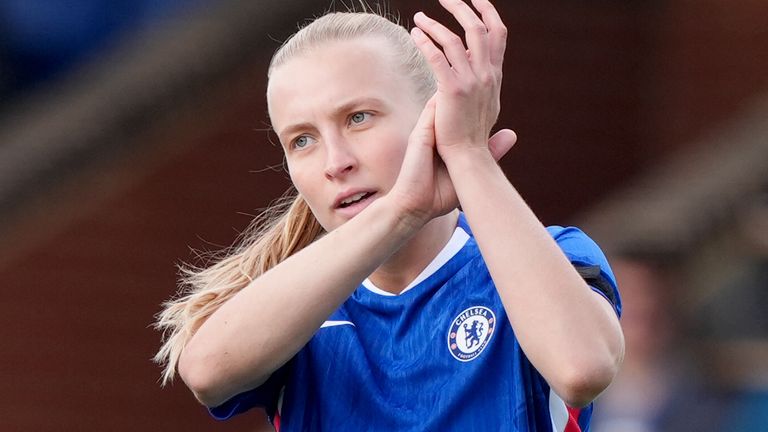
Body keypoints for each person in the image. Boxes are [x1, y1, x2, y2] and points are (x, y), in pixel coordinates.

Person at [154, 0, 625, 430]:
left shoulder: (553, 255)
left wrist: (465, 151)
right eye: (302, 140)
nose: (335, 161)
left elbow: (582, 369)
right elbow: (206, 372)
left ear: (432, 115)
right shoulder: (294, 305)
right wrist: (402, 210)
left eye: (358, 117)